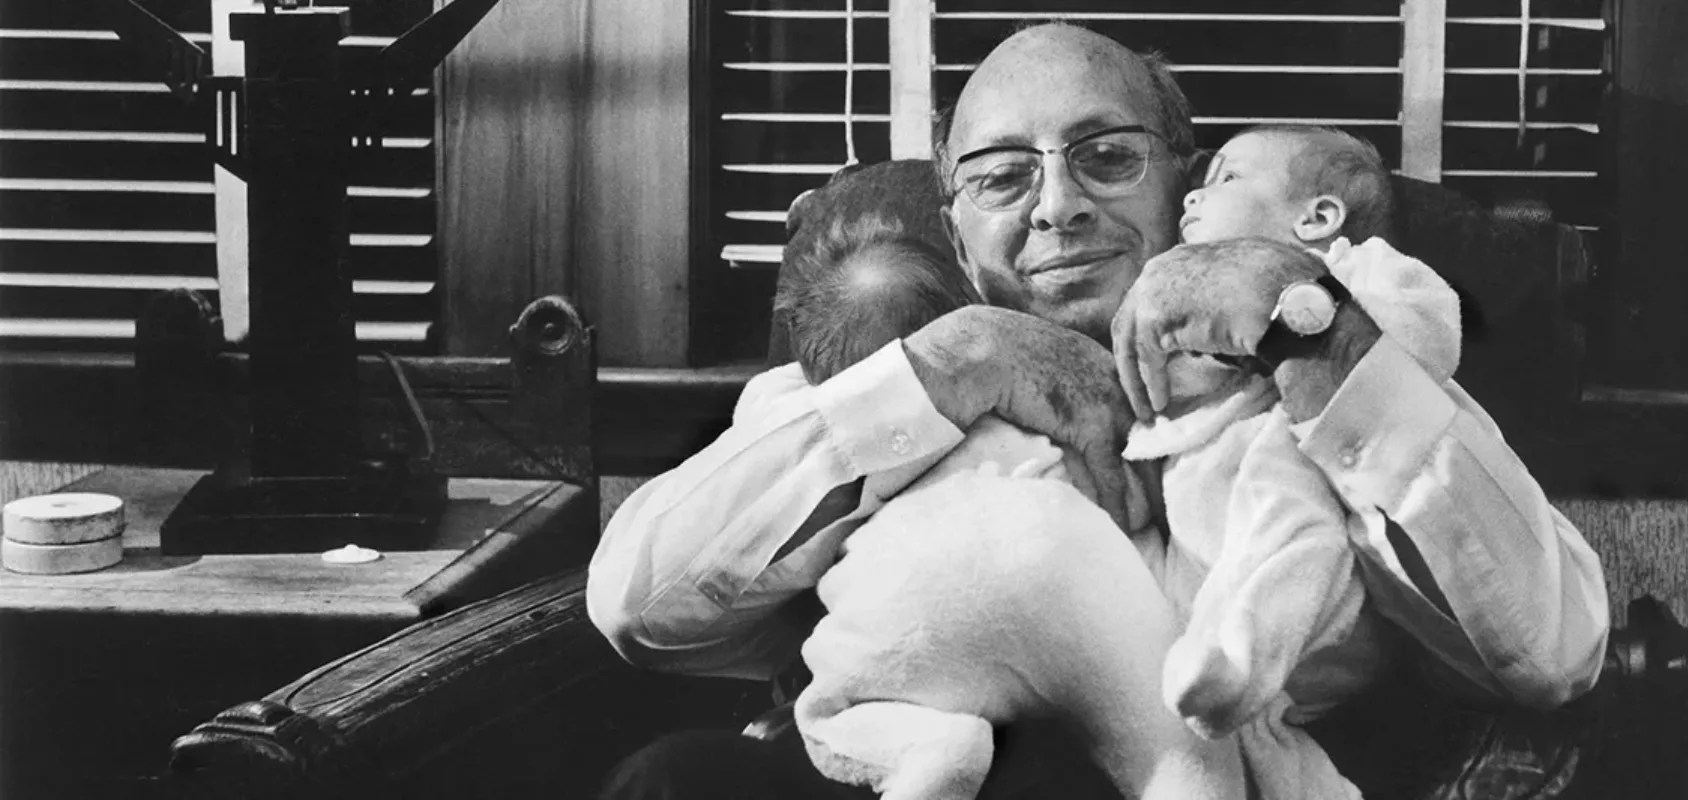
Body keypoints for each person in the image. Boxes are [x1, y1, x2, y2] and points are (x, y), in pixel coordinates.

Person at [589, 21, 1610, 800]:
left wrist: (1313, 342)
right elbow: (638, 606)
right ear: (952, 228)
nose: (1056, 205)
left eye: (1106, 157)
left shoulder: (1347, 347)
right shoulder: (878, 359)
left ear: (1186, 184)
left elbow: (1556, 649)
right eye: (1000, 177)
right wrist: (957, 363)